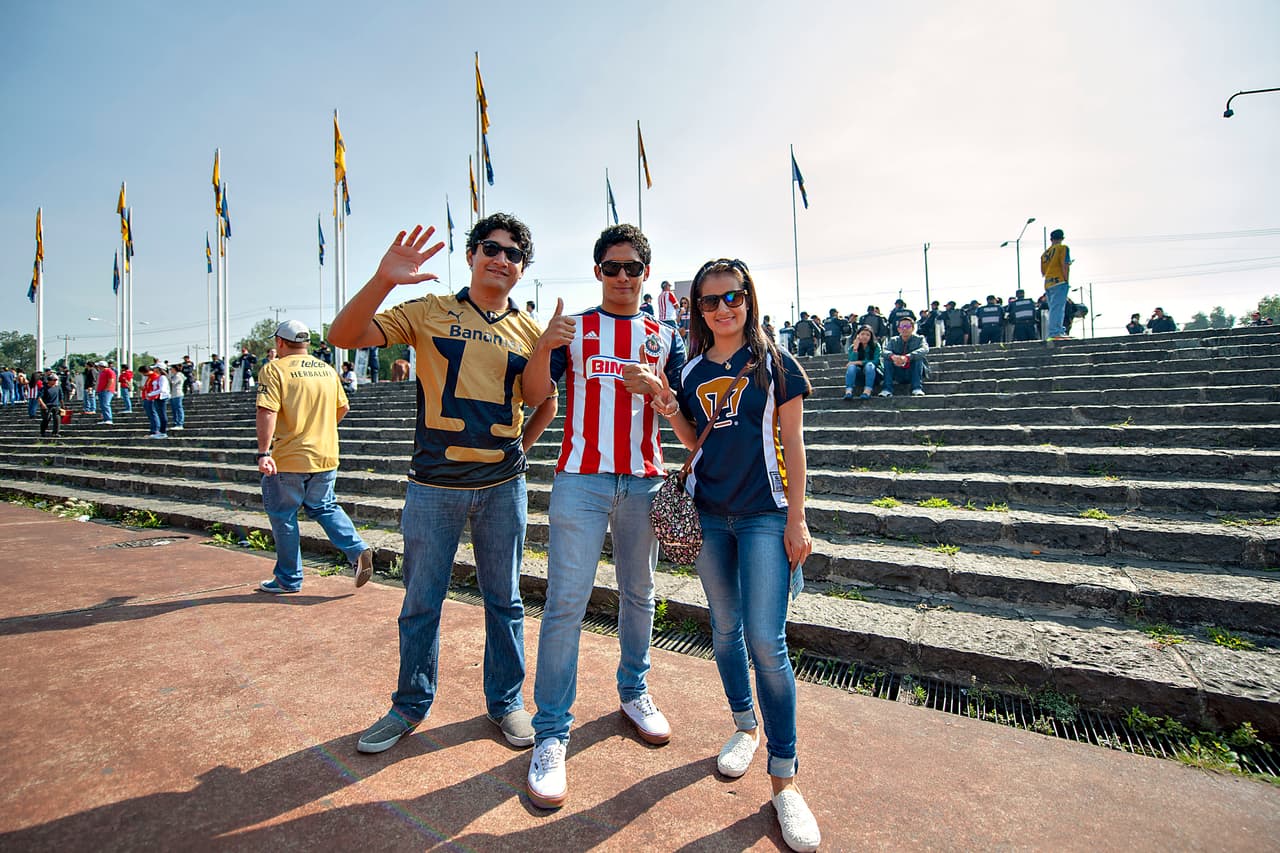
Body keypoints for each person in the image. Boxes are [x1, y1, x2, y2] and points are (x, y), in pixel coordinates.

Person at [327, 213, 558, 756]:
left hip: (503, 485)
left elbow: (545, 399)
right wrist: (384, 279)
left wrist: (521, 447)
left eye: (514, 254)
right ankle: (409, 704)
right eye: (492, 248)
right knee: (421, 602)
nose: (502, 259)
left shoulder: (529, 329)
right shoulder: (430, 310)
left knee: (505, 601)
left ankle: (506, 703)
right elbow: (343, 336)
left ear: (521, 270)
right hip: (435, 484)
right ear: (472, 255)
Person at [654, 257, 820, 853]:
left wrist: (798, 519)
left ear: (750, 298)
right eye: (710, 301)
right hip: (709, 515)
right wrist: (668, 405)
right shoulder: (692, 367)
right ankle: (744, 727)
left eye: (733, 297)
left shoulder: (777, 362)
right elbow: (698, 443)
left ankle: (785, 778)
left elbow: (794, 446)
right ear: (697, 309)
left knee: (765, 642)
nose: (723, 308)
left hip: (764, 514)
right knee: (724, 631)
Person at [521, 223, 686, 809]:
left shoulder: (665, 336)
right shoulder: (575, 330)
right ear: (597, 271)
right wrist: (543, 345)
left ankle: (634, 691)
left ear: (646, 272)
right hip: (581, 479)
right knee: (567, 601)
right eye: (612, 267)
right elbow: (532, 394)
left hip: (644, 480)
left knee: (639, 595)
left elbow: (680, 416)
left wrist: (658, 393)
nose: (622, 277)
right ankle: (550, 733)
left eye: (632, 268)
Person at [254, 320, 373, 594]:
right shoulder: (327, 369)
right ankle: (356, 549)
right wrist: (320, 430)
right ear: (306, 343)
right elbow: (343, 408)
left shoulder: (274, 370)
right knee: (325, 507)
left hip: (289, 457)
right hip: (325, 455)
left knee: (283, 515)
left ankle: (288, 579)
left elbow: (267, 411)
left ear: (280, 342)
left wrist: (263, 452)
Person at [880, 316, 929, 397]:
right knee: (887, 359)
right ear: (898, 329)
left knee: (919, 358)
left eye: (908, 326)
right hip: (898, 372)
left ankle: (917, 388)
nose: (905, 329)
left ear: (913, 328)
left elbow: (924, 349)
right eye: (902, 326)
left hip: (913, 372)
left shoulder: (920, 339)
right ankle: (887, 389)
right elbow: (884, 351)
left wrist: (908, 357)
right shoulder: (893, 340)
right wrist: (893, 356)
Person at [1040, 228, 1072, 340]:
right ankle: (1055, 332)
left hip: (1048, 282)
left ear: (1051, 239)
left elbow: (1043, 272)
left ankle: (1058, 330)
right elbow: (1065, 264)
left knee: (1053, 308)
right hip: (1059, 281)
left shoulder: (1045, 254)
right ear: (1062, 238)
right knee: (1058, 308)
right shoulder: (1063, 248)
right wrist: (1066, 279)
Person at [844, 325, 882, 400]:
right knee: (851, 367)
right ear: (858, 335)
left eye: (867, 335)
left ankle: (867, 391)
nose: (865, 336)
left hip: (874, 375)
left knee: (869, 365)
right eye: (862, 334)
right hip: (859, 377)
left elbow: (876, 361)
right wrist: (855, 349)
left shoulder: (875, 346)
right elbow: (851, 362)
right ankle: (848, 391)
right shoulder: (853, 347)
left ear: (871, 337)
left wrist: (859, 362)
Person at [141, 364, 169, 438]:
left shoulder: (162, 377)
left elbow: (162, 389)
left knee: (162, 415)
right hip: (158, 397)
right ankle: (160, 432)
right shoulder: (159, 377)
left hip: (161, 397)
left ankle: (163, 432)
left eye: (155, 368)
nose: (154, 370)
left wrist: (151, 394)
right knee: (160, 414)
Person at [38, 370, 63, 437]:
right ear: (49, 380)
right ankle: (42, 432)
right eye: (53, 380)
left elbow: (60, 397)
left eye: (56, 380)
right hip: (46, 405)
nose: (55, 381)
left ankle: (55, 432)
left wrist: (63, 405)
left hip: (55, 405)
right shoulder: (44, 388)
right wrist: (43, 404)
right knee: (46, 418)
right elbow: (39, 397)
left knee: (57, 418)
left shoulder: (58, 387)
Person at [167, 364, 186, 430]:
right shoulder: (174, 375)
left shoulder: (178, 375)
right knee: (174, 410)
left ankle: (180, 423)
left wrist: (168, 376)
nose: (170, 370)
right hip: (173, 394)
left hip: (177, 394)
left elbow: (172, 382)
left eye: (171, 369)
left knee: (178, 409)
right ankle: (176, 422)